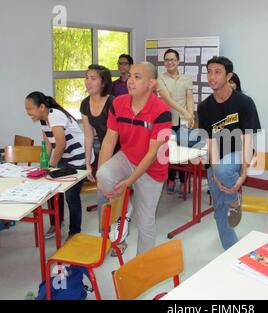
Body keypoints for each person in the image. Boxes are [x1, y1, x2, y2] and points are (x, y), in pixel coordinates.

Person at [96, 62, 172, 255]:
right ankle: (125, 208)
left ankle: (142, 267)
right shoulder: (118, 103)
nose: (130, 81)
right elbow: (109, 141)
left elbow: (153, 153)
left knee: (146, 221)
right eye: (130, 75)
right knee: (103, 174)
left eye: (137, 77)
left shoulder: (162, 111)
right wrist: (100, 176)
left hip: (153, 168)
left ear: (151, 83)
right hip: (127, 157)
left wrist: (130, 181)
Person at [197, 56, 261, 250]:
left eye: (217, 72)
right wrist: (215, 173)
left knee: (224, 170)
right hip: (216, 157)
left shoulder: (244, 102)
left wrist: (243, 173)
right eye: (209, 72)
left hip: (239, 153)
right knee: (218, 211)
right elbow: (210, 142)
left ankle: (234, 200)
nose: (212, 77)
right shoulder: (204, 107)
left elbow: (246, 138)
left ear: (229, 75)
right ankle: (231, 250)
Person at [80, 64, 131, 255]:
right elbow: (87, 135)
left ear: (103, 82)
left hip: (123, 150)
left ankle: (119, 239)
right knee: (103, 196)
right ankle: (105, 235)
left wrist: (102, 170)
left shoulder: (113, 102)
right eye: (86, 77)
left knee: (114, 194)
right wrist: (87, 164)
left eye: (93, 78)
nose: (88, 81)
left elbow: (117, 136)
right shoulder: (85, 104)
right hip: (105, 150)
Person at [24, 91, 89, 240]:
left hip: (79, 158)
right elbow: (48, 144)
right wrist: (44, 165)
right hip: (65, 157)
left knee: (71, 194)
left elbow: (60, 144)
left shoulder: (55, 115)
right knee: (51, 189)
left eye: (29, 109)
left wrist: (51, 166)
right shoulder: (43, 119)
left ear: (41, 107)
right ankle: (56, 222)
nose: (27, 113)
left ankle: (74, 231)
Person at [156, 49, 194, 195]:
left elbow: (189, 98)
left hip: (184, 121)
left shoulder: (186, 78)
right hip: (167, 121)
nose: (169, 62)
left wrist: (190, 115)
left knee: (183, 152)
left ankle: (184, 181)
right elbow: (167, 99)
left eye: (172, 59)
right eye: (167, 59)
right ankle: (171, 179)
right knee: (169, 152)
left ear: (178, 61)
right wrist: (185, 112)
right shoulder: (160, 78)